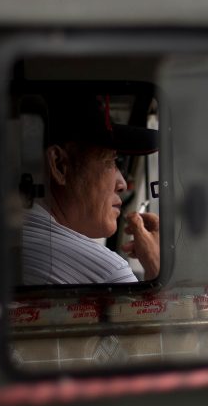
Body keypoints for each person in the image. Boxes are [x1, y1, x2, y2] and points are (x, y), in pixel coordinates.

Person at [20, 94, 160, 285]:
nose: (123, 184)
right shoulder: (108, 275)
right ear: (59, 165)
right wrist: (156, 264)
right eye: (110, 161)